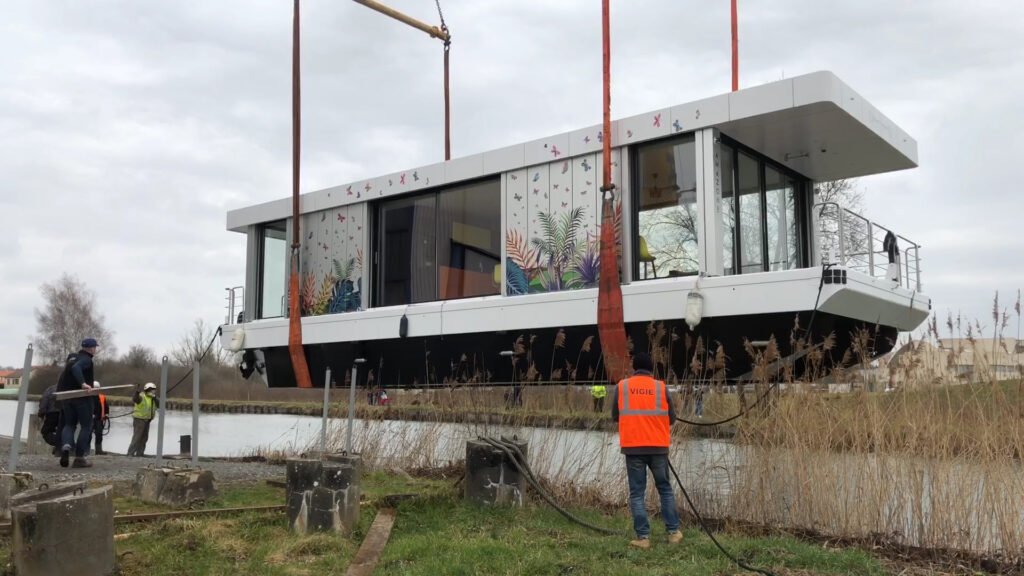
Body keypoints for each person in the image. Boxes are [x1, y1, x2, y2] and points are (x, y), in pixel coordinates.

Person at [611, 352, 682, 549]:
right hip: (658, 447)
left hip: (633, 447)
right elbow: (673, 419)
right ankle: (673, 532)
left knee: (636, 493)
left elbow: (615, 416)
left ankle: (643, 538)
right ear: (652, 368)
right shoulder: (661, 388)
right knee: (665, 489)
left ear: (634, 367)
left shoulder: (622, 387)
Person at [56, 338, 100, 468]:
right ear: (91, 348)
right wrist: (83, 384)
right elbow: (77, 369)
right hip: (81, 398)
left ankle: (66, 446)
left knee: (69, 424)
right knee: (86, 426)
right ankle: (80, 458)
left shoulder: (72, 359)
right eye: (95, 348)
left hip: (66, 398)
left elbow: (67, 373)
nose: (95, 350)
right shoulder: (86, 359)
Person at [127, 382, 158, 457]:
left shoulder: (153, 398)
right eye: (153, 389)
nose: (154, 391)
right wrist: (137, 392)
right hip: (139, 419)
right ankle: (130, 453)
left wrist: (155, 398)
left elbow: (159, 404)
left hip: (147, 420)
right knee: (137, 437)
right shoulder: (141, 396)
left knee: (144, 438)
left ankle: (140, 453)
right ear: (149, 390)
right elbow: (135, 399)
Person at [37, 383, 62, 454]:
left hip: (52, 414)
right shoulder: (70, 388)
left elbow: (44, 401)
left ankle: (59, 444)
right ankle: (64, 445)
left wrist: (41, 413)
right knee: (67, 431)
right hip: (67, 414)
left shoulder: (50, 389)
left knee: (45, 432)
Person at [92, 380, 109, 455]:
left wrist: (106, 414)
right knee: (87, 434)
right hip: (90, 419)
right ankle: (84, 450)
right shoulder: (88, 397)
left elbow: (106, 406)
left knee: (99, 435)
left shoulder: (102, 397)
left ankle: (98, 450)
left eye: (97, 388)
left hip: (99, 419)